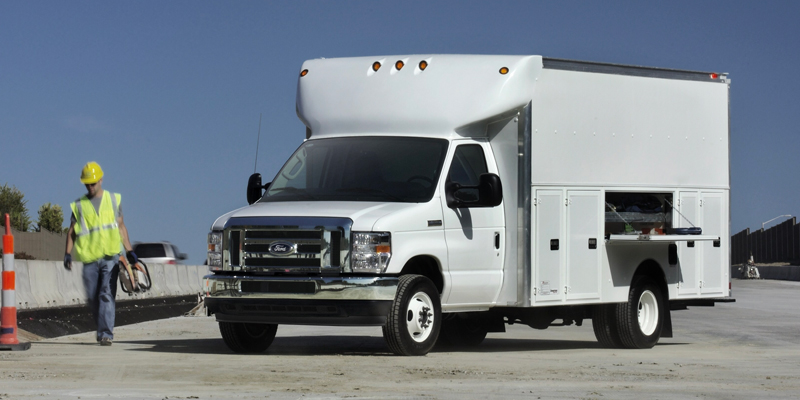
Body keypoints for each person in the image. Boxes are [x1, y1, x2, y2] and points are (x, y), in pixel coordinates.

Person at [63, 161, 136, 346]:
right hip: (89, 259)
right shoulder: (79, 205)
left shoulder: (113, 200)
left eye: (93, 183)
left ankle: (106, 334)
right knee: (92, 297)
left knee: (106, 294)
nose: (90, 186)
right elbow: (72, 231)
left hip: (110, 257)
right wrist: (67, 253)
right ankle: (102, 328)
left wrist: (129, 251)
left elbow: (120, 227)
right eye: (87, 184)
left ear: (101, 180)